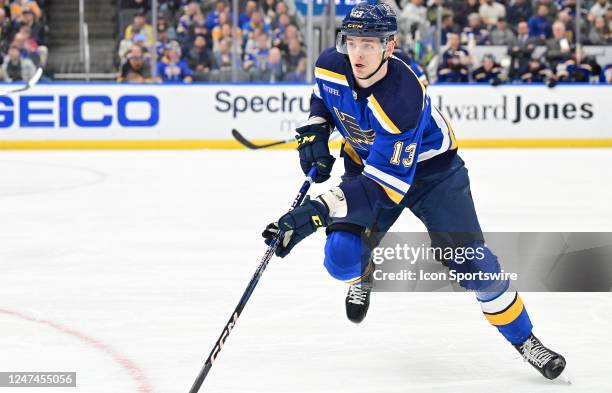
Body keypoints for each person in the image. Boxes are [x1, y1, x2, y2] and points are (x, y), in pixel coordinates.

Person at [262, 2, 567, 382]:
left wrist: (318, 210)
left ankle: (525, 340)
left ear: (389, 46)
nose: (357, 53)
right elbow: (323, 95)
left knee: (476, 263)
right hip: (369, 165)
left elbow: (385, 186)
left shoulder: (403, 96)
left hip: (431, 173)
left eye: (369, 44)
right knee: (341, 258)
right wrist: (316, 127)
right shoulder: (331, 63)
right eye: (351, 42)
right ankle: (364, 270)